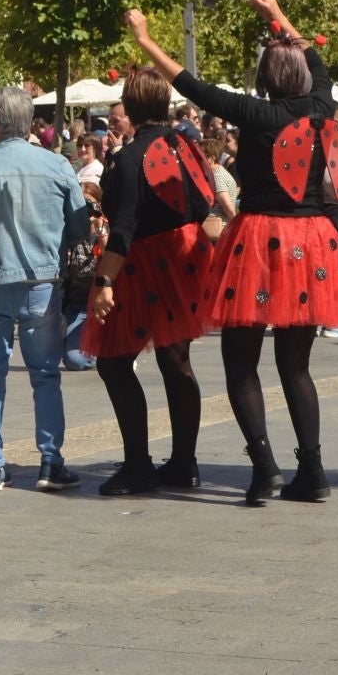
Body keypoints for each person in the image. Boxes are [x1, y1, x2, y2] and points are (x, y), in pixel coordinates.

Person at [127, 0, 338, 505]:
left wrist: (145, 40)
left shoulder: (255, 112)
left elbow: (189, 84)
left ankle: (265, 465)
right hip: (312, 239)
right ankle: (312, 471)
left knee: (240, 361)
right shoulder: (320, 108)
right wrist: (277, 16)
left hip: (261, 240)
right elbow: (318, 61)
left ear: (267, 77)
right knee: (296, 366)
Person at [0, 86, 91, 494]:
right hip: (41, 281)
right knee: (45, 374)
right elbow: (81, 229)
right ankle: (49, 461)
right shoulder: (57, 165)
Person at [83, 66, 210, 496]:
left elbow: (123, 227)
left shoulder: (131, 157)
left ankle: (138, 463)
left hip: (143, 264)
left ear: (132, 107)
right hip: (188, 261)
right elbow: (204, 200)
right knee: (177, 361)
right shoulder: (188, 147)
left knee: (114, 361)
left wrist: (104, 282)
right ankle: (184, 463)